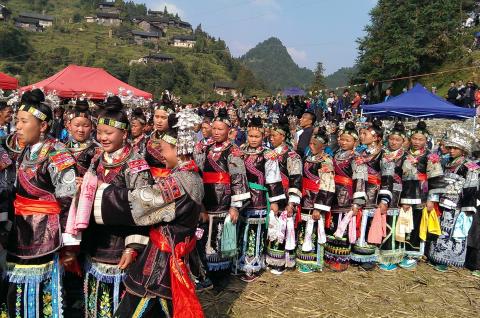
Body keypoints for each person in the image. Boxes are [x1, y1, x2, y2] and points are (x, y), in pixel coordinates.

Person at [95, 108, 205, 317]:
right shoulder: (193, 176)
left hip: (160, 260)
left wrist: (102, 190)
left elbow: (141, 202)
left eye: (163, 149)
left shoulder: (178, 182)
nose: (161, 155)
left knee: (139, 306)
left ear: (178, 149)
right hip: (176, 253)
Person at [0, 89, 76, 317]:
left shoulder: (57, 153)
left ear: (43, 126)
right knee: (13, 294)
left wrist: (70, 244)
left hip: (44, 232)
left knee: (37, 294)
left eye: (24, 122)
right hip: (18, 229)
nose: (18, 127)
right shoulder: (22, 150)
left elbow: (68, 198)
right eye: (16, 121)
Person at [82, 96, 152, 317]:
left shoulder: (136, 164)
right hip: (96, 241)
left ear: (124, 133)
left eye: (108, 133)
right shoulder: (96, 160)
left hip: (122, 245)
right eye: (100, 132)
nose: (102, 138)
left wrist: (133, 247)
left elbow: (144, 208)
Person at [194, 108, 250, 283]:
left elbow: (239, 179)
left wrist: (235, 206)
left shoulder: (233, 151)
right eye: (214, 128)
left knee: (219, 237)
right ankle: (203, 272)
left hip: (223, 200)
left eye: (221, 129)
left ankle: (220, 275)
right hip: (205, 197)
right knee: (202, 237)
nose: (216, 132)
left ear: (229, 131)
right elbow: (197, 172)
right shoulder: (205, 147)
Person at [237, 116, 284, 282]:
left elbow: (273, 178)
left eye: (257, 136)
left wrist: (275, 202)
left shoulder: (268, 154)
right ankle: (238, 264)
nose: (253, 139)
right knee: (240, 230)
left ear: (263, 136)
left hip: (259, 199)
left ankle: (252, 266)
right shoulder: (240, 150)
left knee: (254, 232)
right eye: (251, 136)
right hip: (241, 196)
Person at [428, 125, 478, 271]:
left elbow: (471, 188)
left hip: (457, 205)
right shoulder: (446, 163)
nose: (451, 151)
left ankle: (448, 259)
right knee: (441, 229)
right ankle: (435, 255)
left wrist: (467, 209)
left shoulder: (469, 167)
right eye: (450, 148)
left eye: (455, 149)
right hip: (442, 202)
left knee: (453, 232)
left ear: (463, 150)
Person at [398, 121, 445, 270]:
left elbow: (436, 179)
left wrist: (432, 199)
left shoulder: (431, 157)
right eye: (414, 138)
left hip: (422, 194)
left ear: (426, 141)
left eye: (421, 139)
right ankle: (399, 250)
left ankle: (412, 254)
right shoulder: (403, 154)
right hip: (404, 192)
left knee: (417, 223)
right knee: (403, 223)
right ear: (410, 139)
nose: (417, 142)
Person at [265, 115, 302, 275]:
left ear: (283, 136)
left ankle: (281, 262)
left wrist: (292, 202)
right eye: (270, 135)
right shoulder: (270, 153)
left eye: (274, 135)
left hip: (285, 195)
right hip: (272, 194)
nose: (271, 138)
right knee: (273, 226)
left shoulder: (292, 156)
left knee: (283, 227)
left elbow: (296, 179)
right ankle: (272, 258)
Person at [296, 127, 334, 273]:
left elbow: (327, 185)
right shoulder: (309, 158)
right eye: (310, 144)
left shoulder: (326, 160)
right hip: (305, 198)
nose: (311, 146)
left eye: (314, 144)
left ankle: (315, 261)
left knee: (315, 229)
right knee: (303, 228)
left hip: (317, 199)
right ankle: (302, 259)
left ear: (322, 146)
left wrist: (319, 207)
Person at [349, 120, 384, 271]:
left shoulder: (383, 154)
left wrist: (385, 198)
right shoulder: (361, 153)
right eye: (361, 133)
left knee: (370, 222)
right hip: (359, 188)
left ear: (376, 137)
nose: (362, 136)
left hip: (374, 191)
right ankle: (357, 253)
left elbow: (388, 177)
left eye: (365, 133)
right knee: (359, 221)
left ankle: (369, 257)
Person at [325, 122, 358, 272]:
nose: (344, 142)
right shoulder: (336, 154)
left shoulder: (356, 158)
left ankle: (340, 261)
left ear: (355, 143)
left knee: (342, 227)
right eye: (342, 139)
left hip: (347, 195)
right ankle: (330, 257)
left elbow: (360, 180)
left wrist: (357, 202)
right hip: (334, 193)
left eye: (348, 140)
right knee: (333, 226)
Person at [376, 122, 407, 271]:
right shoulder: (382, 153)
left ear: (403, 142)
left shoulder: (406, 157)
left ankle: (392, 256)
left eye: (398, 140)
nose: (393, 142)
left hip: (398, 193)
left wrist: (406, 199)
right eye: (392, 139)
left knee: (393, 223)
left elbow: (410, 180)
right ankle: (378, 253)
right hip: (381, 190)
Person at [65, 99, 98, 176]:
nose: (81, 130)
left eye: (86, 126)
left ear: (92, 127)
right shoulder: (62, 147)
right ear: (69, 126)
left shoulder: (96, 151)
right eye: (77, 125)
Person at [145, 101, 175, 178]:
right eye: (156, 116)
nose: (159, 121)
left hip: (172, 181)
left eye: (163, 118)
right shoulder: (148, 139)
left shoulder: (177, 140)